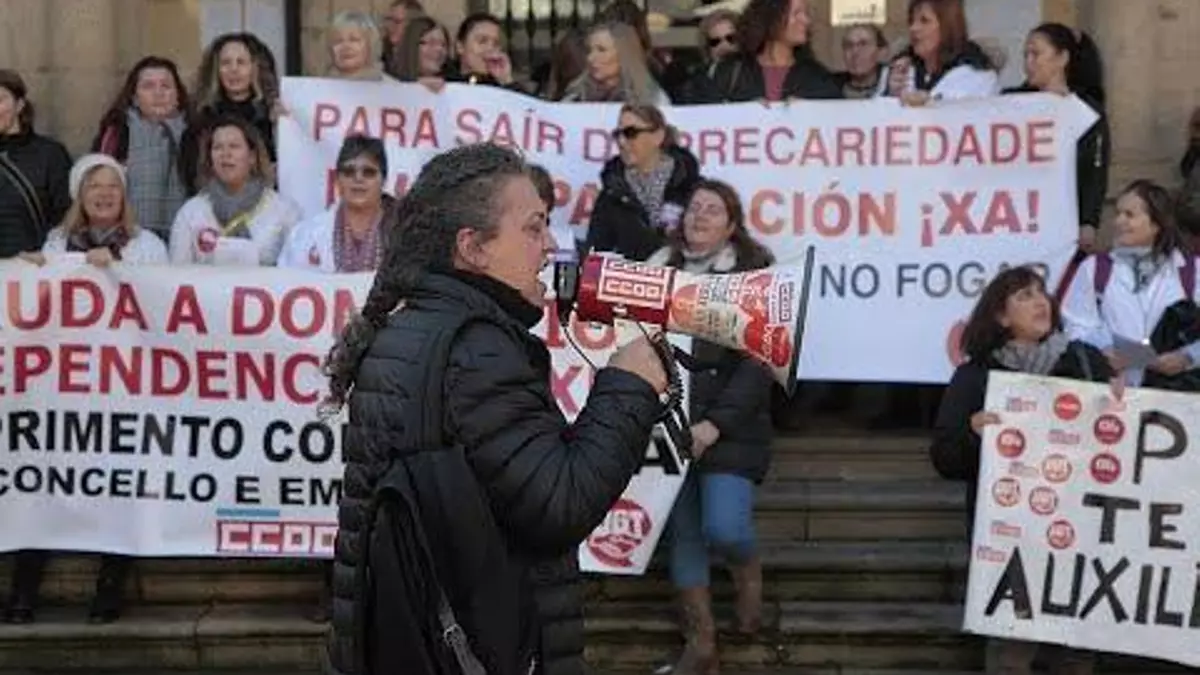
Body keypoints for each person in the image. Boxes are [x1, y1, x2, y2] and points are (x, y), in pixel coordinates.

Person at [322, 142, 669, 675]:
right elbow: (559, 503)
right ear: (473, 248)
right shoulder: (476, 349)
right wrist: (629, 385)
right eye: (533, 228)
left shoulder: (416, 328)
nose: (549, 245)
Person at [931, 265, 1112, 674]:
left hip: (1079, 534)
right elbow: (944, 457)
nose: (1040, 302)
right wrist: (972, 433)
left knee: (1074, 655)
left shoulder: (1086, 362)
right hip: (1012, 541)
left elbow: (1118, 438)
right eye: (1025, 296)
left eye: (1041, 293)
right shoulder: (975, 376)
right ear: (1001, 316)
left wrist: (1120, 403)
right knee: (1011, 653)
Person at [646, 179, 776, 675]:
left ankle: (748, 575)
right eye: (694, 208)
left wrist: (715, 425)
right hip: (667, 425)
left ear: (732, 225)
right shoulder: (656, 270)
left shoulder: (752, 277)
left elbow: (759, 363)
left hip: (732, 430)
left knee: (723, 526)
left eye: (712, 209)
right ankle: (702, 646)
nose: (699, 215)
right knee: (683, 535)